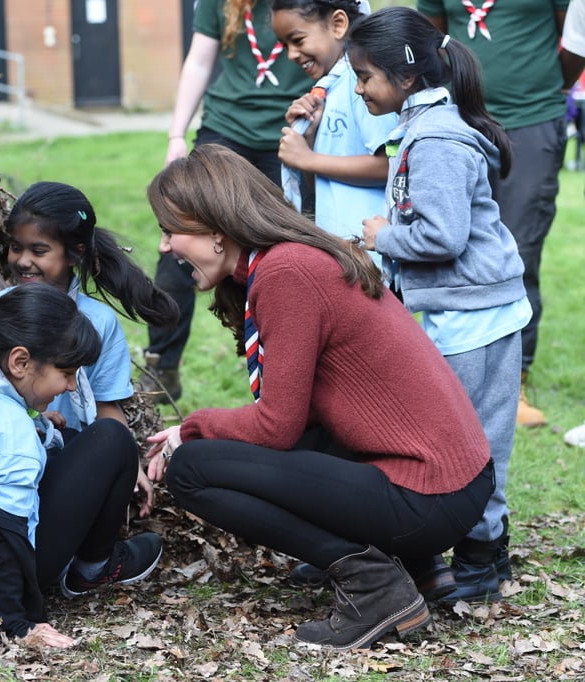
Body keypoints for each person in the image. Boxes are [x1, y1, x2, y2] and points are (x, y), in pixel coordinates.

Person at [143, 144, 494, 650]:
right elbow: (301, 416)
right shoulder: (285, 263)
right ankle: (417, 569)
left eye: (170, 230)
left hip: (430, 493)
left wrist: (190, 428)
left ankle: (374, 586)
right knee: (248, 451)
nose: (164, 246)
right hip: (446, 482)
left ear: (214, 229)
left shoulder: (287, 273)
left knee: (192, 469)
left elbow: (276, 426)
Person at [350, 6, 529, 604]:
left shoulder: (437, 140)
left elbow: (443, 237)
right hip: (468, 312)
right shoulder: (425, 130)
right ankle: (480, 552)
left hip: (478, 318)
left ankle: (480, 558)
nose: (358, 87)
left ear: (404, 78)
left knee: (475, 440)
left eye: (365, 76)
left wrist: (382, 238)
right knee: (466, 433)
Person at [0, 283, 163, 648]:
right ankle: (94, 567)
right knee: (112, 438)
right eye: (67, 372)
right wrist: (13, 621)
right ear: (20, 362)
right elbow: (5, 532)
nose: (69, 386)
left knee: (77, 438)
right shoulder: (11, 434)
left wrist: (39, 424)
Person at [0, 181, 179, 517]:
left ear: (75, 252)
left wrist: (127, 463)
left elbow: (107, 409)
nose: (22, 261)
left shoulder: (99, 322)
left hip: (63, 456)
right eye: (16, 248)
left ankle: (95, 564)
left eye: (39, 251)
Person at [139, 0, 309, 403]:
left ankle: (284, 366)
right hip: (225, 130)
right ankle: (162, 362)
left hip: (291, 133)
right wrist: (176, 134)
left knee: (285, 251)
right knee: (178, 240)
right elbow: (199, 61)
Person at [416, 0, 568, 429]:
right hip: (462, 121)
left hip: (532, 118)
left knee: (520, 248)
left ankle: (513, 378)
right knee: (451, 241)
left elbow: (572, 41)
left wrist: (542, 86)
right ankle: (450, 371)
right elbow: (434, 39)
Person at [271, 0, 396, 265]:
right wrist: (309, 138)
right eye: (285, 45)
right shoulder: (329, 89)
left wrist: (308, 158)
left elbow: (391, 165)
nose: (292, 54)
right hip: (343, 251)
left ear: (338, 25)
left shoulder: (361, 83)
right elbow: (320, 184)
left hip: (372, 256)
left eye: (297, 39)